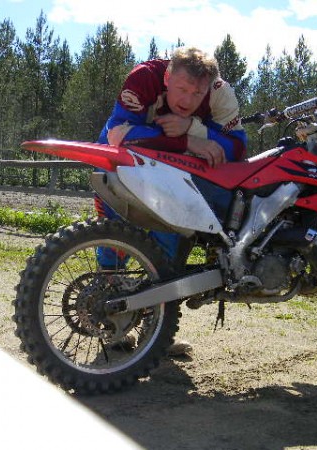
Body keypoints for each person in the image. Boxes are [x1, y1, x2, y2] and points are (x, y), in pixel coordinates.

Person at [95, 47, 247, 356]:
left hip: (172, 173)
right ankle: (110, 324)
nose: (187, 100)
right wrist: (187, 140)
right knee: (115, 236)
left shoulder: (221, 93)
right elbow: (118, 134)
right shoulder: (144, 78)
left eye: (197, 93)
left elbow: (238, 148)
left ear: (209, 87)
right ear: (167, 77)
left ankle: (155, 332)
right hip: (121, 162)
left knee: (169, 244)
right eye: (181, 88)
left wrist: (192, 127)